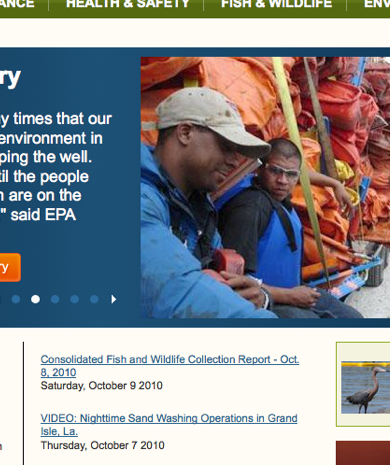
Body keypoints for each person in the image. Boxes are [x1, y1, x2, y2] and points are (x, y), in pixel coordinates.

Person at [141, 87, 277, 318]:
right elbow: (176, 292)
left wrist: (258, 296)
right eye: (226, 146)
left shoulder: (199, 210)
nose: (236, 161)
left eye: (238, 151)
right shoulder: (142, 200)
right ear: (185, 132)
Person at [217, 138, 362, 319]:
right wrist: (289, 296)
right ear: (259, 168)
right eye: (275, 171)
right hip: (261, 303)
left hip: (290, 292)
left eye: (291, 174)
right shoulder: (251, 209)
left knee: (353, 318)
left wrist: (336, 184)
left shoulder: (278, 197)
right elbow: (233, 282)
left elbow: (295, 171)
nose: (282, 180)